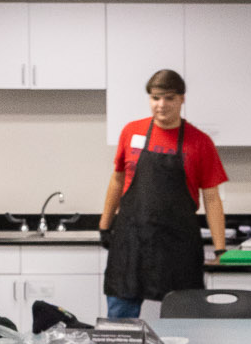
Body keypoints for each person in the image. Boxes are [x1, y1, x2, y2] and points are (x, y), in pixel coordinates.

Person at [97, 68, 228, 320]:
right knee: (120, 325)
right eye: (155, 98)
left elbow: (211, 199)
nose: (161, 105)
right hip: (131, 242)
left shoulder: (199, 142)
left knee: (186, 323)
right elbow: (117, 180)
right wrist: (104, 225)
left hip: (177, 244)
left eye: (169, 98)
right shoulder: (131, 132)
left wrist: (221, 250)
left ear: (182, 99)